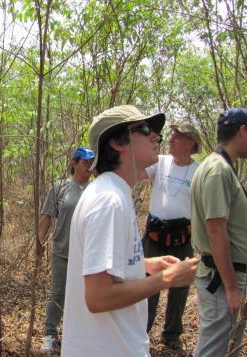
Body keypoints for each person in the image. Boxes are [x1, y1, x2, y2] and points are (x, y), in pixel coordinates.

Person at [61, 105, 198, 357]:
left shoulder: (113, 193)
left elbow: (100, 269)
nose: (156, 136)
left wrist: (143, 264)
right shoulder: (109, 202)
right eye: (145, 130)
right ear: (117, 142)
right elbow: (98, 297)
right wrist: (166, 279)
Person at [191, 108, 247, 357]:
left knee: (228, 350)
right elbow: (216, 230)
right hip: (223, 283)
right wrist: (232, 288)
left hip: (227, 279)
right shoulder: (218, 171)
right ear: (243, 131)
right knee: (214, 352)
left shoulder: (220, 167)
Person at [143, 122, 201, 349]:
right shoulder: (160, 162)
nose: (172, 138)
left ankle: (172, 334)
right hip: (154, 235)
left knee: (180, 287)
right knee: (148, 285)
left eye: (178, 135)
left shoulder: (198, 171)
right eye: (172, 134)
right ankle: (141, 332)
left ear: (191, 143)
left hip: (182, 237)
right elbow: (137, 171)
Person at [39, 147, 95, 353]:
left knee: (85, 295)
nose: (89, 166)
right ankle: (50, 334)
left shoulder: (96, 189)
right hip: (62, 251)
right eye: (85, 162)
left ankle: (80, 334)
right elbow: (46, 216)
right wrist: (40, 243)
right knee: (58, 294)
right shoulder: (60, 187)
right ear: (74, 163)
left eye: (91, 162)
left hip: (88, 254)